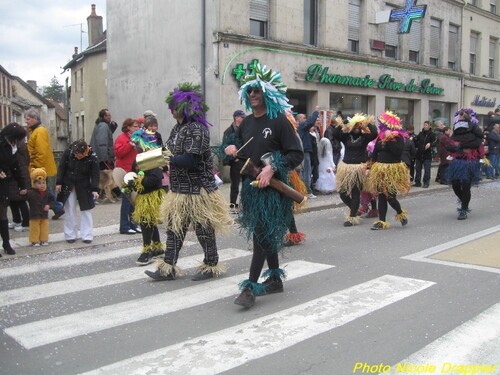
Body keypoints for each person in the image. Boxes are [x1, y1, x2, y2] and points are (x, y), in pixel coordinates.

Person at [224, 63, 304, 308]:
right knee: (266, 234)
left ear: (267, 92)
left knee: (260, 235)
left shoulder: (279, 121)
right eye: (250, 91)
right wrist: (230, 150)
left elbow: (296, 154)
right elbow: (239, 152)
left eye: (257, 90)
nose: (253, 94)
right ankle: (276, 280)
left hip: (272, 190)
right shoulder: (246, 123)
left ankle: (249, 288)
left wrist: (273, 167)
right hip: (251, 188)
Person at [145, 82, 231, 282]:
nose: (171, 111)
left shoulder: (197, 129)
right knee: (174, 229)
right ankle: (168, 268)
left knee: (203, 229)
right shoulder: (177, 128)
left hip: (198, 190)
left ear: (183, 108)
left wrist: (168, 159)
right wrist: (153, 158)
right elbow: (169, 152)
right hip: (179, 190)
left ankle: (211, 265)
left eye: (174, 107)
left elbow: (190, 160)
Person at [331, 113, 378, 227]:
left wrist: (366, 123)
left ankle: (352, 218)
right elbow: (335, 133)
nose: (357, 129)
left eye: (358, 127)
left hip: (358, 168)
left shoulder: (364, 137)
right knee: (342, 192)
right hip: (346, 167)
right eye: (355, 127)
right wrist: (344, 124)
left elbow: (374, 133)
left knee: (356, 192)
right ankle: (354, 207)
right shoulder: (346, 136)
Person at [368, 111, 410, 230]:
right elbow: (375, 154)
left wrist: (390, 137)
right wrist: (369, 167)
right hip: (380, 169)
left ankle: (400, 212)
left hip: (392, 170)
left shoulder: (399, 138)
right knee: (381, 195)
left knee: (390, 196)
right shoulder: (380, 139)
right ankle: (382, 221)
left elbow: (397, 152)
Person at [129, 129, 166, 265]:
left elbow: (156, 178)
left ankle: (147, 251)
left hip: (152, 195)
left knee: (146, 222)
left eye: (137, 145)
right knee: (149, 222)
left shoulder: (152, 158)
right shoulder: (139, 157)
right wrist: (130, 182)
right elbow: (133, 172)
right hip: (142, 195)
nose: (135, 147)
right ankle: (157, 248)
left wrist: (139, 182)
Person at [55, 139, 100, 243]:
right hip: (68, 183)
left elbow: (95, 174)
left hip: (84, 185)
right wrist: (59, 182)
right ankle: (70, 234)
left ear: (85, 152)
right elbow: (61, 167)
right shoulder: (68, 152)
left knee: (86, 210)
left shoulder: (93, 157)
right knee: (69, 210)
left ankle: (87, 235)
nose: (77, 156)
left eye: (79, 155)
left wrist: (94, 189)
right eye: (75, 154)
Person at [25, 107, 65, 219]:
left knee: (43, 188)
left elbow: (41, 151)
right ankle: (57, 207)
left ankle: (57, 207)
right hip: (40, 166)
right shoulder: (36, 131)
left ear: (35, 119)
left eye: (28, 119)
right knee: (44, 188)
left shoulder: (39, 131)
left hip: (39, 167)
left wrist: (36, 168)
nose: (26, 121)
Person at [445, 108, 484, 220]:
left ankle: (463, 210)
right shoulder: (456, 130)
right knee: (455, 185)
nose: (459, 118)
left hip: (469, 162)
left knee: (466, 186)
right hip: (457, 161)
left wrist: (462, 146)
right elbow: (448, 144)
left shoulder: (474, 129)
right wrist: (458, 147)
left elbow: (478, 142)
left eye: (461, 116)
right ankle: (464, 200)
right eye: (459, 116)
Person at [0, 123, 28, 255]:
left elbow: (15, 167)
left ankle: (6, 243)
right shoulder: (2, 143)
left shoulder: (12, 147)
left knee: (3, 215)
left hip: (3, 183)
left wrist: (22, 185)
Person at [113, 118, 141, 234]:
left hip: (134, 171)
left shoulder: (137, 138)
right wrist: (129, 145)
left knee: (134, 200)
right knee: (126, 200)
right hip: (125, 172)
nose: (137, 128)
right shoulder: (122, 138)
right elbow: (118, 153)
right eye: (135, 126)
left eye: (138, 127)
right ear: (128, 127)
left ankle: (134, 224)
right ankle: (124, 226)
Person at [222, 110, 246, 212]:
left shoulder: (246, 129)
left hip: (245, 160)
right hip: (235, 161)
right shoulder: (228, 131)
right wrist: (232, 156)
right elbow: (224, 146)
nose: (244, 119)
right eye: (242, 117)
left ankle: (246, 204)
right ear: (236, 118)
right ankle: (232, 204)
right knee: (235, 184)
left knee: (247, 183)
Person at [25, 167, 55, 246]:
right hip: (34, 214)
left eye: (43, 183)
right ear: (34, 183)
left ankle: (44, 239)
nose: (42, 185)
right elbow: (23, 197)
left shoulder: (47, 193)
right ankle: (34, 240)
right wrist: (22, 192)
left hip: (44, 214)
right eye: (39, 183)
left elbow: (52, 200)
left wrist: (49, 205)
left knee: (44, 228)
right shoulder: (30, 192)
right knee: (34, 228)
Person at [8, 136, 30, 232]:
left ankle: (26, 223)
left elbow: (24, 161)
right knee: (12, 200)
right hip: (12, 175)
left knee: (21, 200)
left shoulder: (20, 147)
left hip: (20, 175)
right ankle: (16, 220)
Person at [296, 108, 319, 198]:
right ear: (298, 120)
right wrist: (316, 112)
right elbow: (310, 122)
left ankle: (303, 190)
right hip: (304, 151)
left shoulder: (299, 127)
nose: (305, 119)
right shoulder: (301, 126)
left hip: (303, 151)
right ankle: (307, 191)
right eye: (303, 118)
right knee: (307, 172)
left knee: (304, 172)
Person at [413, 121, 436, 188]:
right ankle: (417, 182)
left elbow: (436, 142)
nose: (425, 126)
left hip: (427, 155)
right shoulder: (420, 134)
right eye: (424, 125)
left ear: (429, 126)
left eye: (426, 125)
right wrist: (413, 139)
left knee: (427, 170)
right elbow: (416, 141)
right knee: (417, 169)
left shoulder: (432, 134)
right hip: (419, 154)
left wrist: (430, 144)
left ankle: (426, 182)